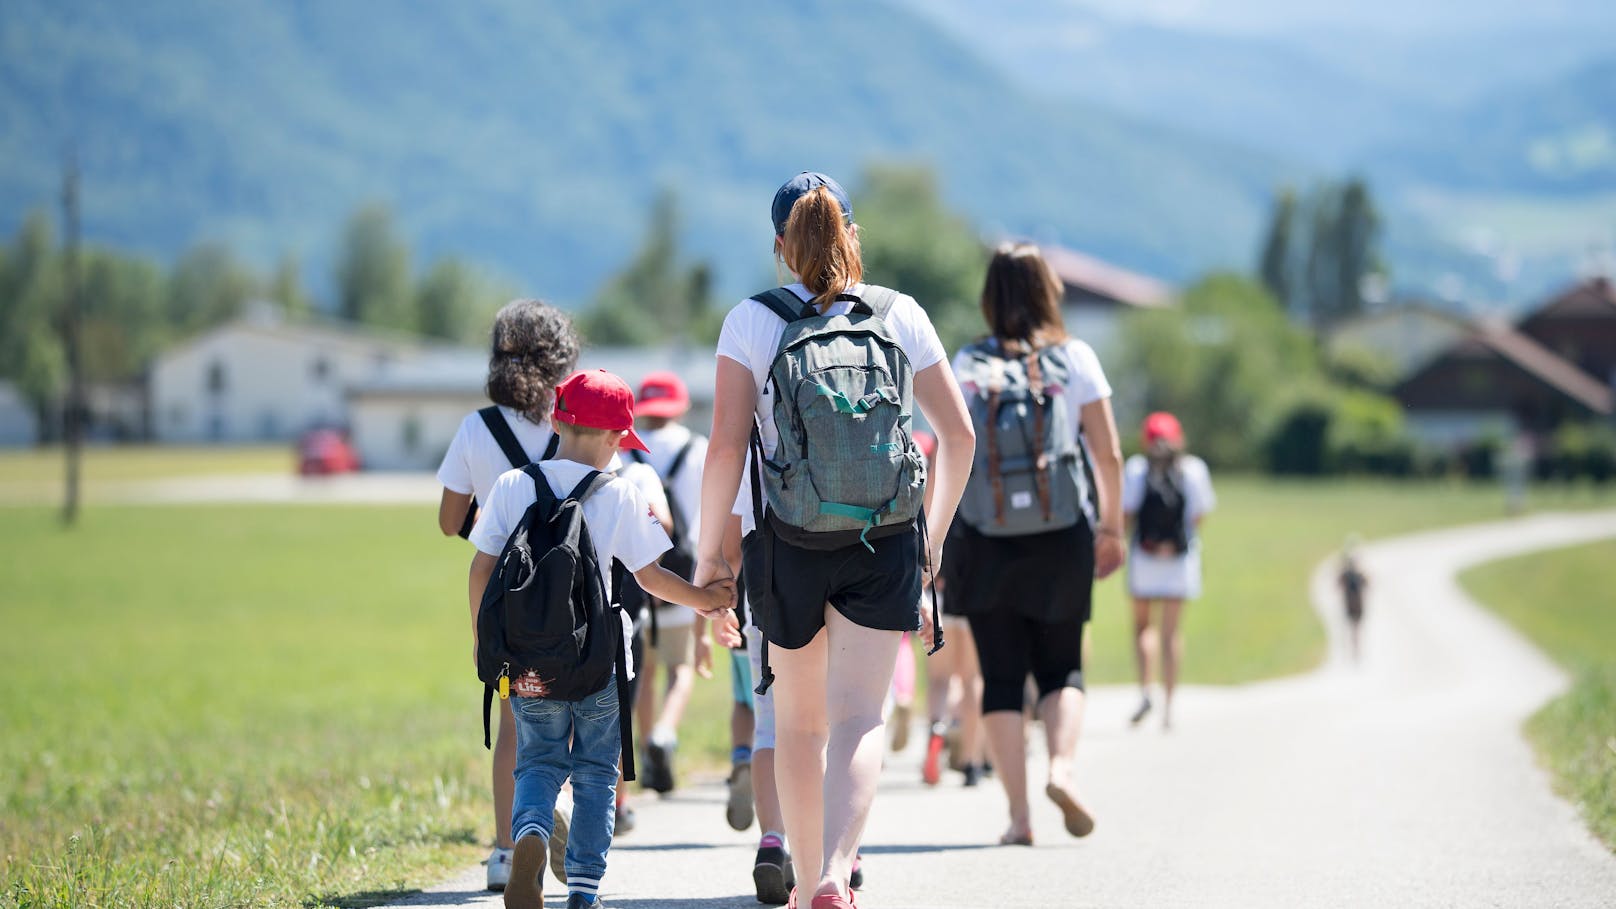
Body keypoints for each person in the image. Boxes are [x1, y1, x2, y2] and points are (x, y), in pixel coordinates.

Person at [694, 172, 975, 909]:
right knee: (859, 716)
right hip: (884, 539)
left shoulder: (750, 321)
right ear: (853, 235)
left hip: (786, 542)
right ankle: (836, 870)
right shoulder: (901, 314)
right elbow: (959, 436)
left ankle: (805, 874)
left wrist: (708, 556)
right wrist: (933, 540)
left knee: (798, 721)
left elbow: (724, 449)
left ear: (781, 246)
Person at [467, 369, 737, 909]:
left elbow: (481, 569)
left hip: (528, 664)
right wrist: (708, 600)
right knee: (594, 775)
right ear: (617, 439)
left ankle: (531, 837)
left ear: (557, 421)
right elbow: (651, 578)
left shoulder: (513, 486)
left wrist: (485, 641)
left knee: (539, 763)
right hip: (602, 663)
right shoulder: (622, 492)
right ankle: (584, 891)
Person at [944, 242, 1125, 846]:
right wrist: (1113, 528)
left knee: (999, 677)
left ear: (990, 296)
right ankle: (1062, 770)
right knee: (1061, 665)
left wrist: (937, 540)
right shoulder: (1075, 358)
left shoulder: (967, 363)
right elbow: (1108, 452)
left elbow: (948, 451)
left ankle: (1019, 818)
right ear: (1049, 291)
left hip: (985, 536)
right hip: (1062, 533)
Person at [435, 299, 580, 891]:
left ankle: (504, 848)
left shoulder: (477, 427)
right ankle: (559, 807)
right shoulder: (574, 420)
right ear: (562, 355)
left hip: (503, 595)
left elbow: (449, 520)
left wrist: (494, 530)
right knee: (572, 710)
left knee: (513, 721)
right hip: (574, 590)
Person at [625, 372, 712, 796]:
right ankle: (664, 730)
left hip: (634, 572)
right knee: (681, 666)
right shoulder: (696, 448)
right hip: (684, 569)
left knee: (643, 669)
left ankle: (643, 750)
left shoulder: (625, 451)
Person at [1122, 411, 1215, 731]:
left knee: (1143, 628)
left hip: (1144, 560)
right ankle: (1170, 708)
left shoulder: (1136, 468)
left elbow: (1127, 514)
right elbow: (1200, 516)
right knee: (1172, 633)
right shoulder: (1193, 470)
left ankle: (1146, 689)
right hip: (1179, 560)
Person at [1338, 536, 1369, 662]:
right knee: (1355, 629)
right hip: (1354, 605)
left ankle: (1354, 651)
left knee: (1353, 629)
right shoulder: (1355, 574)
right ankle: (1355, 651)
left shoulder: (1347, 574)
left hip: (1352, 605)